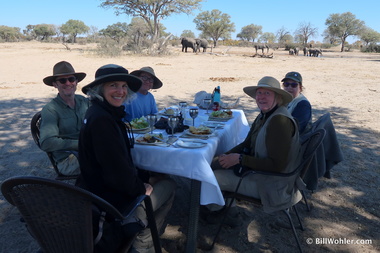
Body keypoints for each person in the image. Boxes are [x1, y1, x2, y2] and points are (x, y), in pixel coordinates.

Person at [77, 64, 175, 253]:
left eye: (123, 86)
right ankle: (142, 244)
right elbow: (116, 175)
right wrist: (141, 187)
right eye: (113, 85)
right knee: (169, 185)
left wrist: (146, 179)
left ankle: (139, 229)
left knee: (157, 178)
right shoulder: (103, 121)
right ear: (100, 89)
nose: (120, 91)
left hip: (94, 190)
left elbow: (117, 164)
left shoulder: (101, 113)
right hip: (108, 201)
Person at [204, 76, 301, 224]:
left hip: (273, 186)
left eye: (267, 93)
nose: (261, 97)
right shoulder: (265, 115)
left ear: (278, 97)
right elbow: (246, 144)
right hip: (262, 175)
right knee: (210, 164)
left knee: (212, 178)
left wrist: (240, 159)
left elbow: (277, 165)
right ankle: (220, 205)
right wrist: (227, 155)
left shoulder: (279, 121)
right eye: (259, 93)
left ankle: (221, 211)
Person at [39, 61, 89, 176]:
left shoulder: (83, 101)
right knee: (107, 160)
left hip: (88, 151)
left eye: (71, 79)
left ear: (76, 82)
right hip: (67, 160)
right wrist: (81, 144)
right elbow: (47, 142)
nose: (68, 83)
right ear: (55, 84)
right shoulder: (50, 109)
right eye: (62, 80)